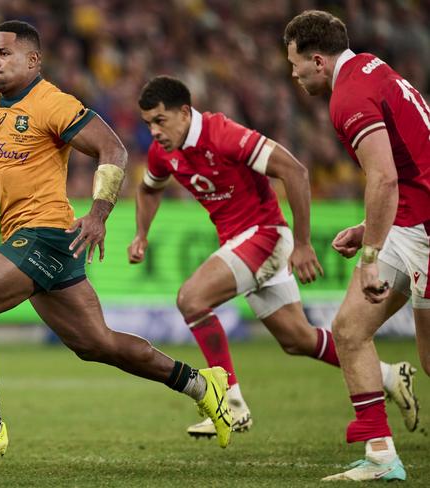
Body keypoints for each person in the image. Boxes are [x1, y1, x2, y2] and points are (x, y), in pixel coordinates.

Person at [0, 21, 232, 462]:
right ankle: (202, 384)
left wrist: (98, 213)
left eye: (4, 53)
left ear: (33, 60)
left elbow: (113, 149)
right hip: (38, 240)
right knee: (98, 344)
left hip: (44, 235)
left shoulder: (52, 104)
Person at [129, 75, 418, 440]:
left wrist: (302, 243)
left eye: (160, 120)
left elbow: (294, 170)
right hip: (242, 243)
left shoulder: (224, 134)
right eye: (147, 124)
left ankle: (230, 404)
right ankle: (391, 376)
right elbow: (148, 189)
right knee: (298, 339)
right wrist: (141, 233)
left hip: (265, 235)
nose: (154, 131)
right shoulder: (163, 151)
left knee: (191, 299)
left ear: (185, 113)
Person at [284, 10, 430, 482]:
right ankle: (382, 455)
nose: (293, 73)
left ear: (319, 61)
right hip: (410, 221)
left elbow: (385, 176)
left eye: (296, 64)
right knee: (348, 330)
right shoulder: (371, 66)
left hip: (425, 231)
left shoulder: (348, 97)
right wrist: (368, 227)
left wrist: (369, 256)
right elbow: (410, 166)